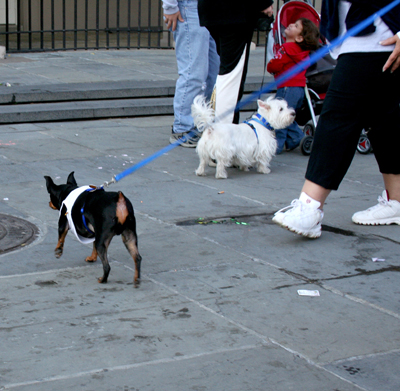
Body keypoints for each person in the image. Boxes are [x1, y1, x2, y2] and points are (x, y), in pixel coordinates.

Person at [272, 0, 400, 238]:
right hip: (364, 35)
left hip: (374, 35)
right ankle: (397, 201)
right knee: (384, 121)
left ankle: (311, 206)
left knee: (338, 117)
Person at [197, 0, 274, 124]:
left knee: (227, 74)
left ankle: (224, 127)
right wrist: (264, 3)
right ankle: (223, 132)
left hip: (214, 10)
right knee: (231, 77)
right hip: (234, 13)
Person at [163, 0, 220, 147]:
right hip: (189, 7)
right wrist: (170, 6)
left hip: (207, 7)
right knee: (193, 72)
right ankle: (183, 128)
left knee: (213, 73)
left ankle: (201, 123)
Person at [267, 18, 320, 154]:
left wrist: (270, 65)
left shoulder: (286, 48)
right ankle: (295, 138)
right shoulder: (303, 53)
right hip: (299, 89)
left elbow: (275, 64)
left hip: (286, 87)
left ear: (300, 37)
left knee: (280, 117)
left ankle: (277, 145)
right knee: (288, 116)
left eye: (295, 25)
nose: (290, 24)